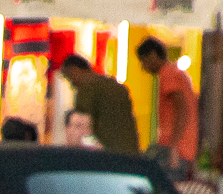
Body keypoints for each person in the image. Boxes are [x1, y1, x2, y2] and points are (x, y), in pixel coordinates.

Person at [137, 38, 198, 174]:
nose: (143, 67)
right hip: (179, 147)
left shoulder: (168, 74)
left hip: (174, 149)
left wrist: (174, 146)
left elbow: (181, 108)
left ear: (153, 55)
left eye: (143, 61)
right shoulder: (176, 73)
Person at [57, 54, 139, 154]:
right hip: (130, 148)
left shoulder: (88, 85)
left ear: (75, 70)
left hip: (109, 150)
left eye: (70, 78)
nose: (72, 84)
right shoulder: (116, 85)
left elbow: (82, 119)